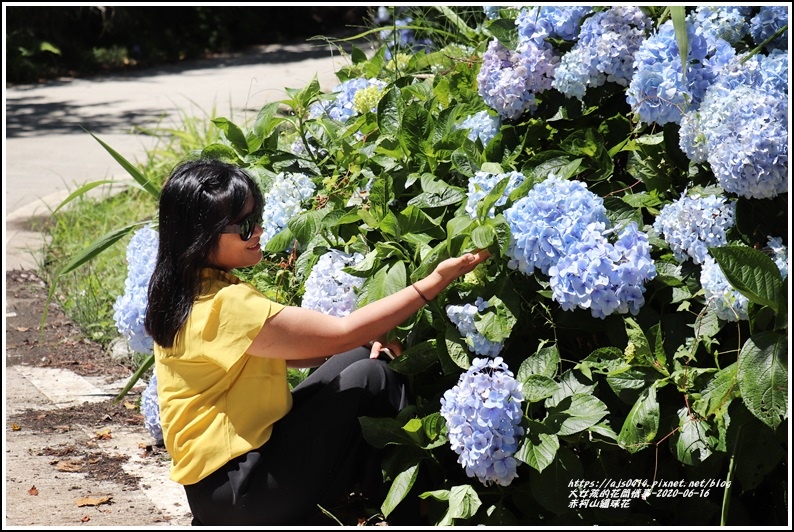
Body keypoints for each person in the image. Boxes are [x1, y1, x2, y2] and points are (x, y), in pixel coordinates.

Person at [143, 158, 490, 526]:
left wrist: (367, 336)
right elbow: (342, 332)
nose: (259, 229)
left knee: (363, 353)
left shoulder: (188, 290)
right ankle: (416, 513)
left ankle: (382, 499)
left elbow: (314, 350)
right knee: (374, 378)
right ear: (203, 235)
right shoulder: (225, 305)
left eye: (256, 216)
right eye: (245, 225)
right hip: (245, 492)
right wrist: (433, 282)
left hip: (221, 490)